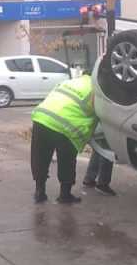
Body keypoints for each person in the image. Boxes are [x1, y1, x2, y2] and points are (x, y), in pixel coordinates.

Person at [30, 75, 97, 204]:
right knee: (67, 160)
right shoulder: (97, 89)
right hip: (66, 125)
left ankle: (39, 192)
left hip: (42, 118)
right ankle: (64, 195)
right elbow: (100, 113)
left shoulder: (70, 82)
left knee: (40, 157)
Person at [81, 126, 115, 196]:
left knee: (98, 150)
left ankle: (89, 179)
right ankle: (103, 184)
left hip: (97, 127)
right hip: (105, 128)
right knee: (108, 153)